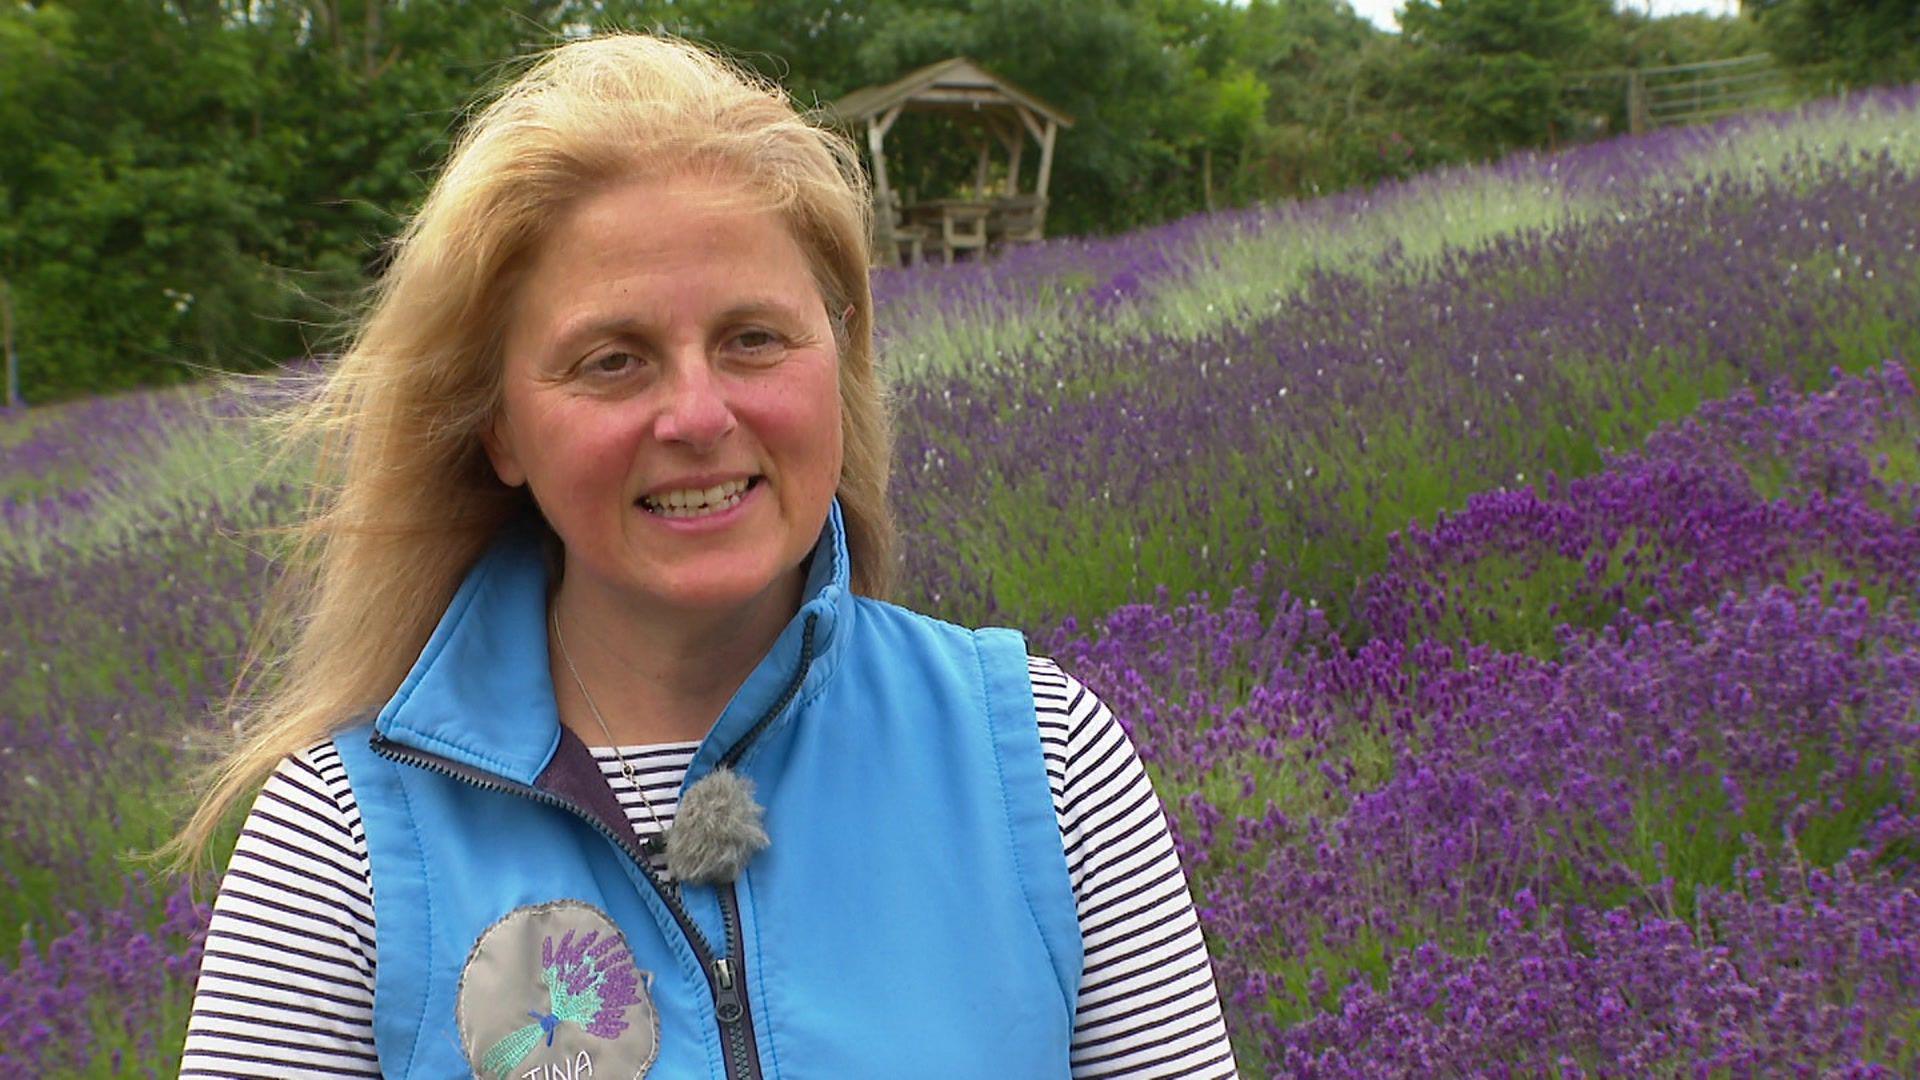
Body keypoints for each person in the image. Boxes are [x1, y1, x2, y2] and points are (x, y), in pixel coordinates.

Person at [174, 32, 1236, 1079]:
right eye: (612, 359)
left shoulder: (1040, 763)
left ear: (840, 363)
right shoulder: (342, 846)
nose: (696, 413)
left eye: (753, 339)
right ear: (498, 428)